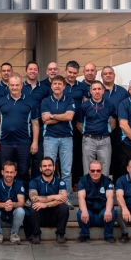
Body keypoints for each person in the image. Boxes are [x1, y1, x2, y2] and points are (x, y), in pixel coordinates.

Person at [0, 75, 40, 182]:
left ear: (21, 86)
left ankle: (24, 196)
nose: (14, 87)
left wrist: (35, 142)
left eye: (17, 85)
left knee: (23, 171)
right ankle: (7, 196)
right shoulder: (1, 102)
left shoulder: (30, 102)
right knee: (6, 171)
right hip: (5, 142)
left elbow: (35, 123)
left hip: (24, 142)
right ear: (8, 86)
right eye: (12, 85)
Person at [41, 75, 77, 203]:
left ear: (64, 86)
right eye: (55, 83)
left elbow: (69, 117)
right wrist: (57, 117)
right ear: (51, 86)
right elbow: (45, 121)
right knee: (48, 169)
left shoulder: (70, 100)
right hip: (50, 138)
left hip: (66, 138)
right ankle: (50, 197)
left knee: (66, 172)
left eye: (59, 84)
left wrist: (52, 116)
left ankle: (65, 199)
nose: (57, 86)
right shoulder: (45, 101)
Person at [78, 81, 116, 177]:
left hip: (104, 141)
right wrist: (88, 133)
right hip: (88, 140)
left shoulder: (109, 105)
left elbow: (113, 123)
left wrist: (104, 132)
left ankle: (103, 190)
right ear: (91, 91)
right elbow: (79, 124)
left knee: (104, 169)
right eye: (94, 89)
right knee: (88, 169)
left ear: (103, 91)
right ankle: (89, 190)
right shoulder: (84, 106)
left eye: (99, 89)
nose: (97, 91)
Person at [28, 157, 70, 244]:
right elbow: (34, 198)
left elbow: (63, 199)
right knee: (33, 207)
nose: (47, 168)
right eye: (44, 166)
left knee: (64, 207)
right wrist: (54, 196)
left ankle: (60, 234)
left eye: (50, 165)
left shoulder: (60, 181)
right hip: (41, 215)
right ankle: (36, 234)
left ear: (54, 167)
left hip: (54, 214)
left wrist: (45, 204)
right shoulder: (34, 182)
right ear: (40, 168)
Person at [76, 159, 116, 243]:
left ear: (101, 171)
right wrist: (84, 211)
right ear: (89, 171)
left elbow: (110, 197)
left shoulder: (107, 181)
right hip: (89, 213)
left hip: (103, 214)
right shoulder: (83, 181)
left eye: (98, 170)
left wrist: (108, 210)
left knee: (112, 211)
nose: (95, 173)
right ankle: (85, 234)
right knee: (80, 212)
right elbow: (81, 198)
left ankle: (108, 235)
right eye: (93, 170)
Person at [0, 162, 27, 244]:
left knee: (21, 210)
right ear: (2, 172)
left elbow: (21, 202)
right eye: (7, 172)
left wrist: (12, 204)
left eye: (11, 172)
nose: (9, 175)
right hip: (1, 211)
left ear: (15, 173)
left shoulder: (19, 183)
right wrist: (4, 205)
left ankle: (14, 233)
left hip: (13, 212)